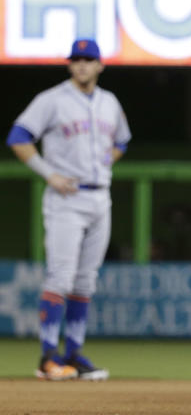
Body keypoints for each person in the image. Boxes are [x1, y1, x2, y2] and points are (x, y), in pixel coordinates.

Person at [6, 39, 131, 381]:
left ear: (100, 65)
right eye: (76, 59)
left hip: (100, 198)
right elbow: (18, 136)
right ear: (69, 64)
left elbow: (121, 140)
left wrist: (107, 160)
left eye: (88, 59)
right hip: (65, 199)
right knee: (60, 277)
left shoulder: (109, 102)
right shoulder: (52, 100)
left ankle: (73, 353)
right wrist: (50, 174)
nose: (82, 65)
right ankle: (48, 357)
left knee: (85, 281)